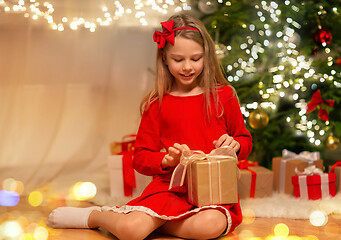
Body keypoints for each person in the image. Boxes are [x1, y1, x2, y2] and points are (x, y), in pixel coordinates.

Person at [47, 14, 252, 240]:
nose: (187, 67)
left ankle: (152, 224)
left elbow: (244, 140)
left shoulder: (223, 96)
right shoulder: (156, 104)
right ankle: (98, 216)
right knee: (131, 232)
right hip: (169, 189)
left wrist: (235, 144)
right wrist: (167, 160)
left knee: (210, 225)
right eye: (178, 59)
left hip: (212, 191)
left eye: (195, 59)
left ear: (207, 57)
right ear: (164, 58)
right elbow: (140, 158)